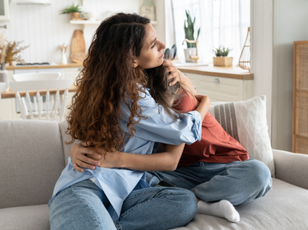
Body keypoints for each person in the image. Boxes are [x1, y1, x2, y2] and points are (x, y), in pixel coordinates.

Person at [49, 13, 211, 230]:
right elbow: (183, 130)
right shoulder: (130, 95)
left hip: (126, 192)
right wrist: (207, 102)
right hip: (87, 187)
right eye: (153, 44)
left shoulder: (118, 87)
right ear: (131, 59)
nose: (163, 46)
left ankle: (106, 221)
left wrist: (181, 78)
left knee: (184, 202)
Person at [71, 64, 272, 223]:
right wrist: (77, 149)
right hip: (178, 174)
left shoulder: (174, 93)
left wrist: (199, 96)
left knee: (259, 173)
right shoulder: (134, 103)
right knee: (130, 179)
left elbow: (177, 144)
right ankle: (200, 200)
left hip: (224, 164)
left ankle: (196, 199)